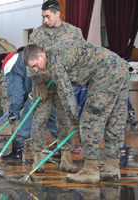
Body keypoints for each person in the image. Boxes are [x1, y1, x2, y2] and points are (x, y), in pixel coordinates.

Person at [23, 41, 129, 184]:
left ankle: (90, 171)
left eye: (35, 65)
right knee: (115, 118)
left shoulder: (55, 62)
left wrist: (74, 120)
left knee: (90, 118)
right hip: (120, 67)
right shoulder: (56, 51)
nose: (35, 70)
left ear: (41, 55)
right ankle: (112, 167)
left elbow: (66, 94)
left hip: (105, 73)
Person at [27, 0, 85, 172]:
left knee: (64, 121)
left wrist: (74, 78)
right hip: (43, 85)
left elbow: (81, 55)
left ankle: (66, 158)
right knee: (39, 121)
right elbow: (29, 59)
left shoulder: (74, 32)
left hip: (63, 86)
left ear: (58, 13)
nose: (45, 20)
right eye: (43, 17)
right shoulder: (37, 34)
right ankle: (37, 157)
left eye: (48, 16)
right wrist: (38, 83)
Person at [0, 49, 33, 161]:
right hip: (46, 87)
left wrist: (14, 112)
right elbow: (24, 89)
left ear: (2, 63)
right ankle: (63, 151)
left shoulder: (10, 65)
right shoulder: (21, 57)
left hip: (37, 91)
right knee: (54, 120)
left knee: (25, 121)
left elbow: (17, 94)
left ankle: (16, 154)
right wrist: (18, 107)